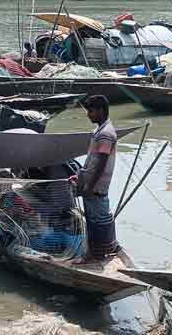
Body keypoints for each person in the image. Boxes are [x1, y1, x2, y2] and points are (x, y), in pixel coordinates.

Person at [70, 95, 119, 262]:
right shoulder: (100, 131)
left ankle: (94, 255)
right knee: (98, 218)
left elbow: (101, 163)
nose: (88, 114)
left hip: (96, 186)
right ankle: (106, 248)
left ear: (100, 110)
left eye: (91, 111)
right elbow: (92, 161)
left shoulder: (105, 133)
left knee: (96, 222)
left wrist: (90, 185)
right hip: (92, 183)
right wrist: (79, 176)